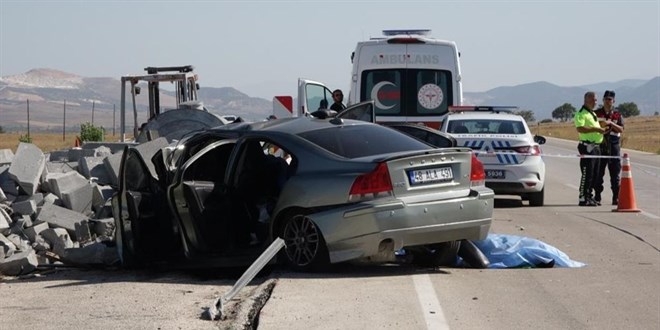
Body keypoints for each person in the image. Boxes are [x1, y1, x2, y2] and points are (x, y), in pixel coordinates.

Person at [574, 91, 607, 206]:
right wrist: (596, 130)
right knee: (587, 172)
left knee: (595, 173)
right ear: (587, 99)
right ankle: (583, 197)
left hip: (596, 146)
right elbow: (580, 128)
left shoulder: (592, 113)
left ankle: (589, 196)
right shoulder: (581, 113)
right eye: (594, 100)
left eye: (596, 100)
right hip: (587, 146)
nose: (595, 102)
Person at [594, 90, 624, 205]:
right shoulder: (597, 113)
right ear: (603, 100)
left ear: (613, 101)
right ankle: (597, 196)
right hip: (601, 145)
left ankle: (616, 197)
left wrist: (611, 123)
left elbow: (621, 129)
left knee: (615, 174)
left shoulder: (617, 115)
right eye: (606, 99)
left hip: (614, 146)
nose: (608, 101)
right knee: (598, 173)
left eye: (610, 99)